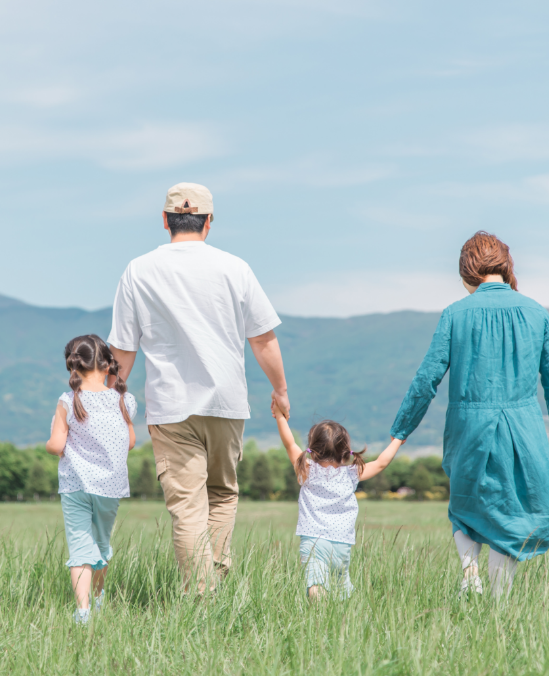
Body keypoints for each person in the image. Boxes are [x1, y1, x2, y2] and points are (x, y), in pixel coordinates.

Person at [107, 182, 288, 593]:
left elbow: (123, 349)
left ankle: (201, 596)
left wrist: (112, 399)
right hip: (227, 402)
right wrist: (280, 389)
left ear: (165, 221)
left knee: (187, 508)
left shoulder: (138, 269)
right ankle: (214, 593)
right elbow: (263, 339)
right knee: (222, 496)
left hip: (170, 407)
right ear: (208, 222)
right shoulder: (235, 267)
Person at [389, 231, 549, 598]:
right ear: (506, 267)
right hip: (521, 425)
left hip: (467, 424)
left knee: (464, 504)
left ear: (467, 272)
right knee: (509, 509)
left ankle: (469, 573)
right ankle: (498, 602)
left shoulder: (454, 314)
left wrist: (401, 431)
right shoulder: (535, 311)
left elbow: (427, 377)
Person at [46, 334, 137, 624]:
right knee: (101, 545)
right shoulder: (124, 400)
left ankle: (82, 611)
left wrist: (50, 442)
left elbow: (57, 445)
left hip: (75, 486)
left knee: (80, 549)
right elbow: (130, 442)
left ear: (73, 366)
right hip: (110, 488)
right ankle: (99, 600)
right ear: (108, 365)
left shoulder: (68, 401)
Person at [273, 401, 404, 599]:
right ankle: (342, 619)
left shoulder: (307, 469)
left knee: (316, 584)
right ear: (344, 451)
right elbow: (381, 463)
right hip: (342, 543)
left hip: (313, 540)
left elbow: (289, 443)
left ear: (313, 448)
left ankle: (320, 613)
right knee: (341, 586)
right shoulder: (351, 474)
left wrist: (280, 417)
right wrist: (397, 440)